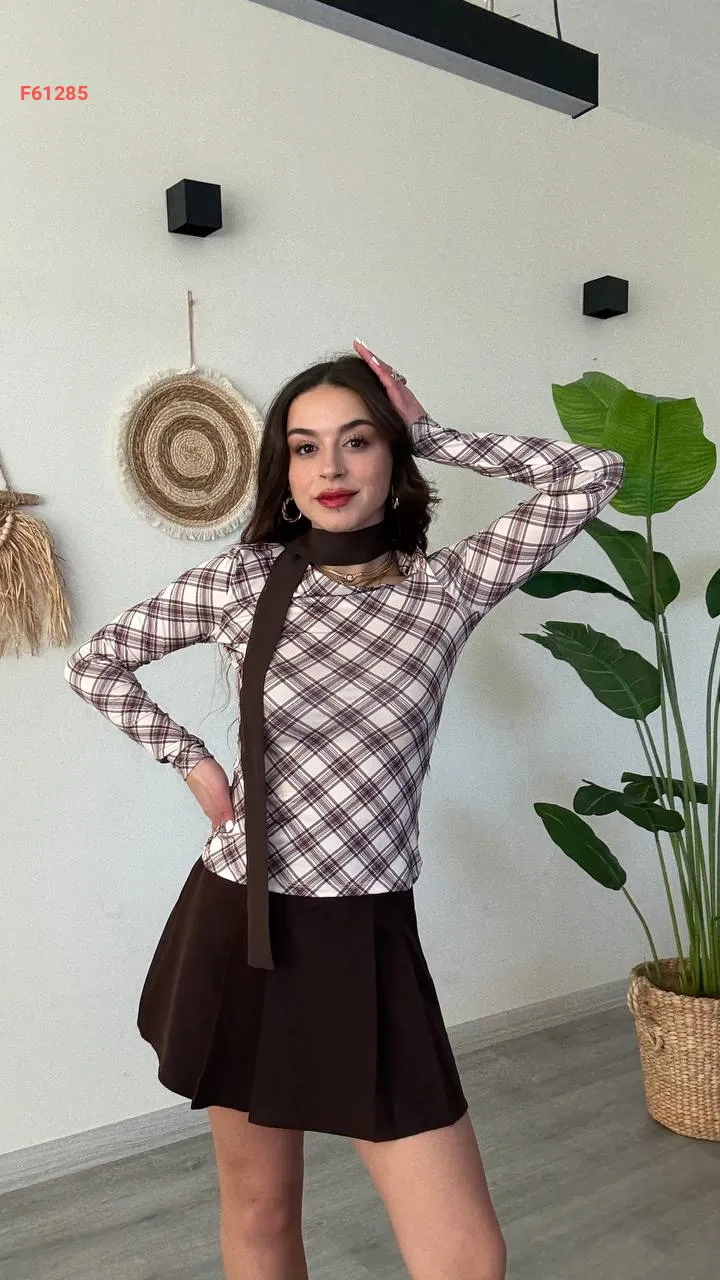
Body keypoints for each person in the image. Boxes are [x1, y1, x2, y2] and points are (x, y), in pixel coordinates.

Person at [64, 339, 624, 1280]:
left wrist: (434, 431)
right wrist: (191, 762)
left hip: (363, 934)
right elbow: (97, 662)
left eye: (358, 440)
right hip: (241, 922)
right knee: (259, 1211)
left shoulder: (447, 585)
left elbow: (592, 472)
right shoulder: (243, 580)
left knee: (465, 1254)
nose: (330, 466)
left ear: (391, 459)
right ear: (283, 471)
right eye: (305, 446)